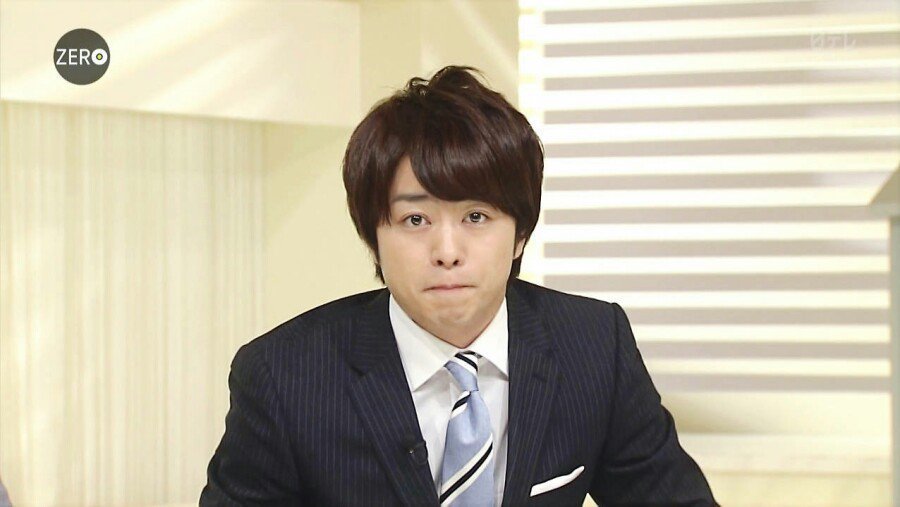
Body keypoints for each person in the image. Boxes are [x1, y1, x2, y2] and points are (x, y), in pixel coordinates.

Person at [200, 65, 718, 506]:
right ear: (374, 237)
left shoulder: (594, 345)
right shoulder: (283, 375)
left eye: (476, 216)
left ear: (520, 234)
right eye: (415, 220)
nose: (447, 251)